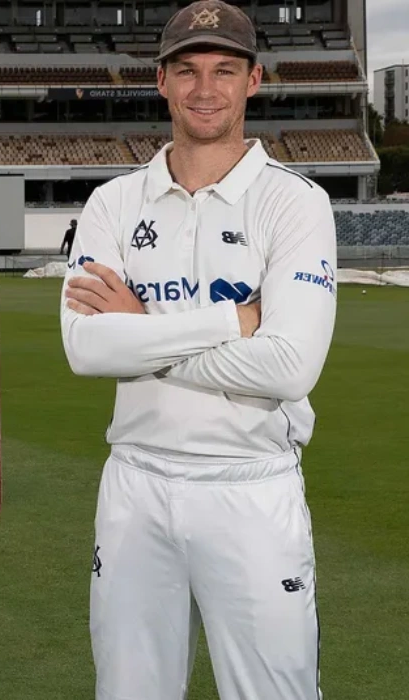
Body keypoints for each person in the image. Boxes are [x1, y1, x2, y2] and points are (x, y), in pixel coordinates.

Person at [59, 2, 336, 699]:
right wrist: (230, 323)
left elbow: (289, 367)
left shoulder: (294, 203)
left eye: (223, 70)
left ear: (254, 80)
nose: (204, 88)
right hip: (135, 484)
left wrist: (141, 328)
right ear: (161, 81)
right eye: (187, 70)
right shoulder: (113, 204)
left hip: (249, 484)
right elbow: (88, 349)